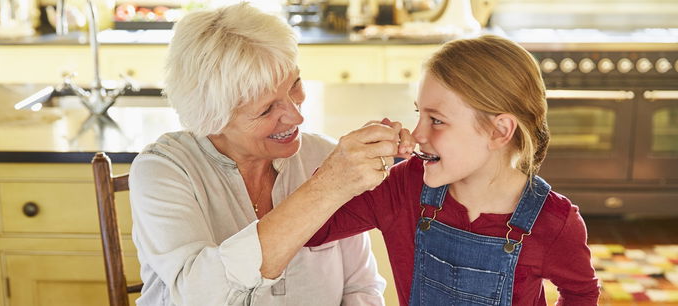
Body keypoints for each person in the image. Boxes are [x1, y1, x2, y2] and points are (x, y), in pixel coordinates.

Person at [129, 3, 414, 305]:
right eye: (266, 108)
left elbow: (361, 289)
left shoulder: (322, 156)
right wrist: (326, 188)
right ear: (213, 118)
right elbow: (196, 295)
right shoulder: (163, 171)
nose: (296, 116)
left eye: (295, 85)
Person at [306, 35, 600, 305]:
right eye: (419, 113)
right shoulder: (404, 186)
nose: (418, 133)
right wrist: (345, 167)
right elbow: (311, 231)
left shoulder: (554, 222)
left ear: (499, 131)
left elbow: (581, 293)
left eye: (436, 120)